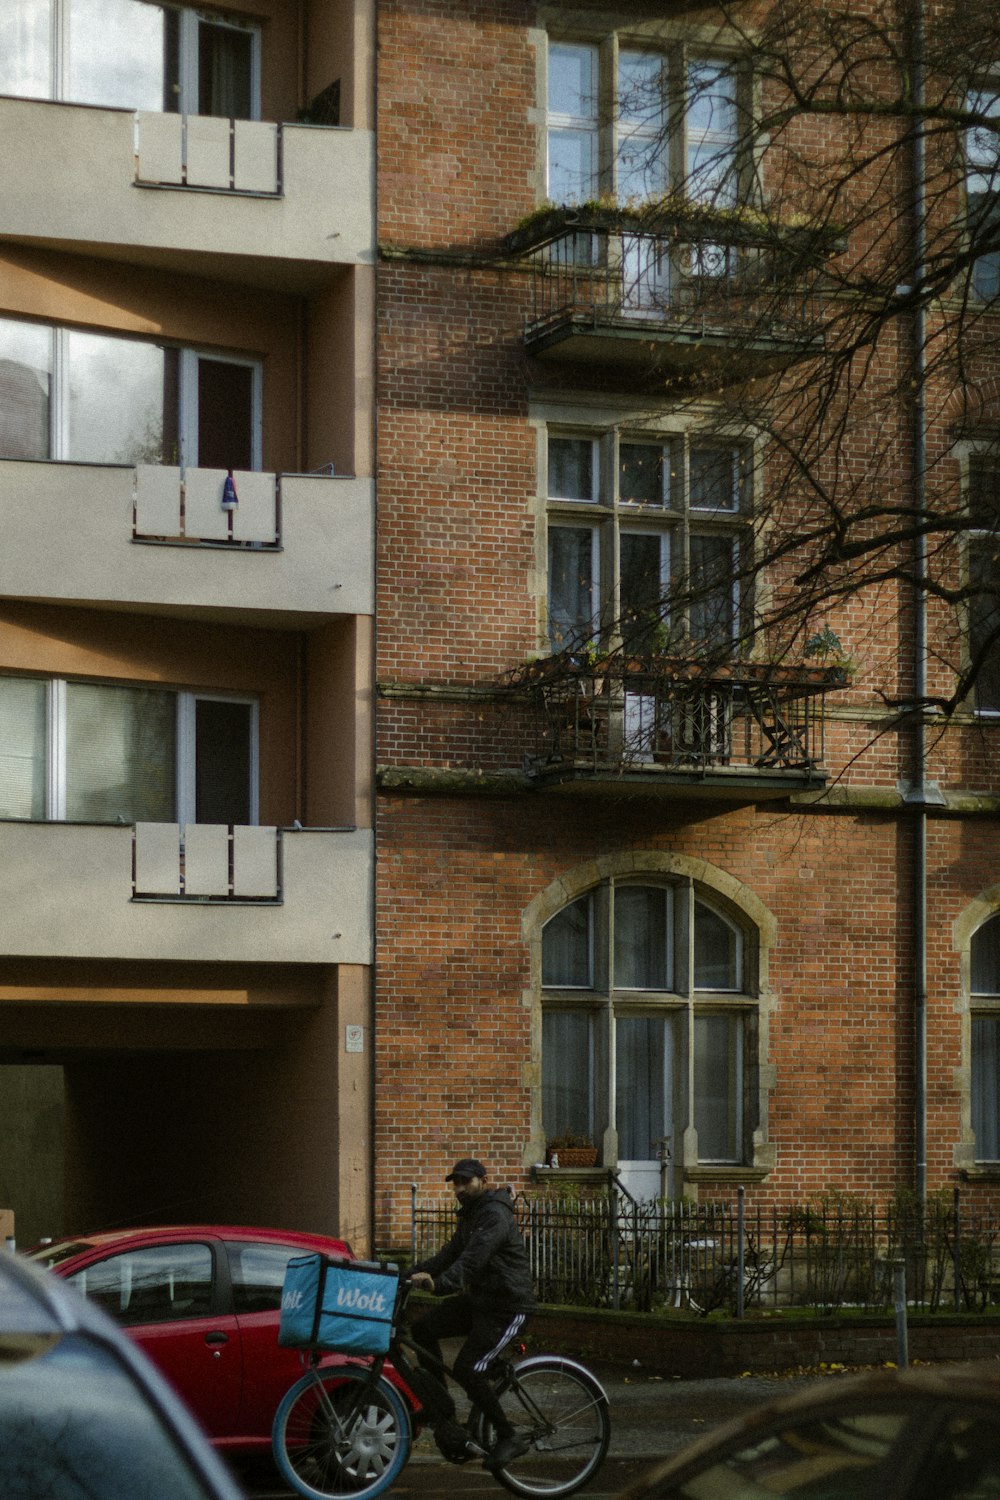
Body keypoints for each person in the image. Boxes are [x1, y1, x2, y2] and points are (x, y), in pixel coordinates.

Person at [409, 1156, 537, 1468]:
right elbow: (447, 1256)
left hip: (507, 1305)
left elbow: (471, 1262)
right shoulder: (470, 1216)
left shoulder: (494, 1214)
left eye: (467, 1181)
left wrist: (438, 1285)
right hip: (481, 1301)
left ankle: (509, 1437)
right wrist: (405, 1275)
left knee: (469, 1368)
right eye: (456, 1182)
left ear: (482, 1180)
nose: (460, 1188)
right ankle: (441, 1406)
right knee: (423, 1329)